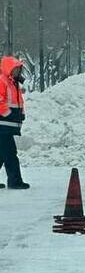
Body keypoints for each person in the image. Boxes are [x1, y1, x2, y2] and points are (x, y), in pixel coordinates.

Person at [0, 56, 29, 190]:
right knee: (10, 154)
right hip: (3, 126)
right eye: (16, 69)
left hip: (6, 126)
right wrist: (8, 114)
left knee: (2, 154)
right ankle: (15, 181)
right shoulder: (3, 81)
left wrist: (21, 114)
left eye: (19, 69)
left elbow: (18, 102)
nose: (18, 72)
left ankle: (14, 180)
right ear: (9, 69)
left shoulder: (13, 84)